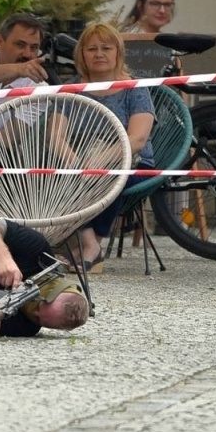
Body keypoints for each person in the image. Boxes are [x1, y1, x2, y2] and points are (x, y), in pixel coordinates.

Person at [53, 22, 154, 270]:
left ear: (118, 53)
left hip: (131, 162)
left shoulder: (135, 88)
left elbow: (137, 139)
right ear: (82, 56)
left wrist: (102, 160)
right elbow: (55, 136)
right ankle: (89, 245)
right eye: (92, 49)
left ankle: (89, 245)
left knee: (106, 177)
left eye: (106, 48)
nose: (99, 54)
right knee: (53, 172)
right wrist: (74, 162)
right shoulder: (71, 89)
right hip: (79, 161)